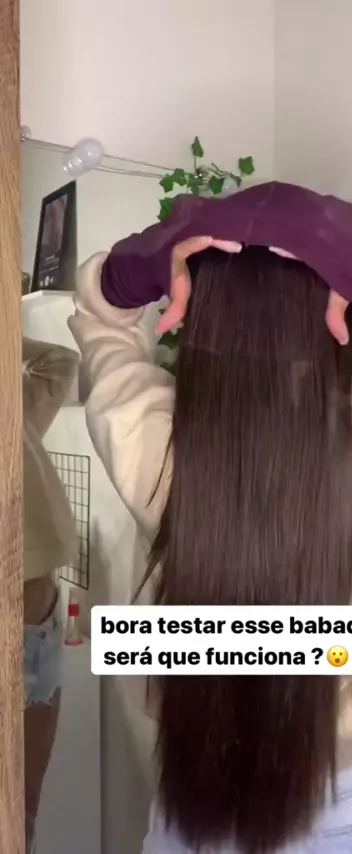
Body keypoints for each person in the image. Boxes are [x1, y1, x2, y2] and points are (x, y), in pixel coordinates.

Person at [69, 182, 352, 854]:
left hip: (189, 811)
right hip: (344, 813)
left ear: (193, 315)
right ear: (337, 315)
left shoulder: (151, 441)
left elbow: (100, 314)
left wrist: (156, 254)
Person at [23, 337, 79, 853]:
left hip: (36, 623)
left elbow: (59, 362)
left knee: (24, 811)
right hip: (28, 626)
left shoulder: (11, 405)